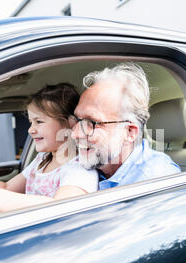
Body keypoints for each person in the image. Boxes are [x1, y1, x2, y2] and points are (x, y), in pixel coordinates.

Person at [0, 83, 98, 220]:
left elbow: (61, 208)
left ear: (68, 124)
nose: (30, 130)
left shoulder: (79, 169)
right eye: (30, 123)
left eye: (39, 122)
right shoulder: (42, 160)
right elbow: (7, 187)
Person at [70, 62, 180, 190]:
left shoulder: (156, 182)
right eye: (77, 120)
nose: (75, 134)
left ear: (129, 132)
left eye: (92, 122)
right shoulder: (82, 166)